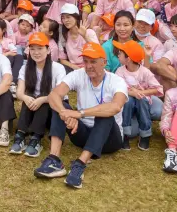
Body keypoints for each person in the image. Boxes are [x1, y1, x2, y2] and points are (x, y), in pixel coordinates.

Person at [35, 42, 127, 189]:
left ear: (104, 62)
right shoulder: (78, 74)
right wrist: (65, 114)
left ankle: (80, 164)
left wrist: (79, 114)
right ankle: (54, 159)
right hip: (82, 134)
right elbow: (54, 95)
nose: (88, 66)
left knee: (105, 114)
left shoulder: (117, 81)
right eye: (85, 61)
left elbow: (115, 107)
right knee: (60, 105)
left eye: (93, 62)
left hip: (110, 140)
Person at [11, 31, 67, 157]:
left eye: (40, 48)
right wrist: (25, 97)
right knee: (29, 97)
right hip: (34, 106)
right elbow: (20, 92)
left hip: (54, 109)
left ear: (48, 50)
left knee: (47, 99)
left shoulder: (57, 68)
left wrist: (42, 99)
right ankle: (20, 134)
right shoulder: (26, 68)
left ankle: (36, 138)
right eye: (32, 49)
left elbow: (60, 95)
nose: (36, 52)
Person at [113, 40, 163, 150]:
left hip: (142, 100)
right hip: (128, 101)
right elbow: (118, 89)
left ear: (128, 59)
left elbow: (158, 89)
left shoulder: (144, 72)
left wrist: (142, 93)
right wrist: (132, 93)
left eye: (120, 53)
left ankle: (145, 134)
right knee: (128, 100)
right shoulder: (120, 71)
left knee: (143, 100)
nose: (118, 55)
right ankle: (124, 133)